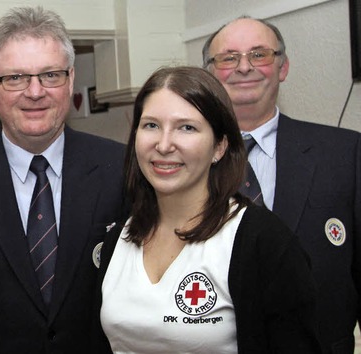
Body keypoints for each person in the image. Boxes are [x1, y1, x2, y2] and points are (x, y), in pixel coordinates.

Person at [0, 6, 126, 353]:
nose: (35, 92)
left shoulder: (120, 167)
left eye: (50, 75)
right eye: (15, 78)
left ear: (70, 80)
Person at [96, 66, 320, 353]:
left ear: (219, 147)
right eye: (151, 125)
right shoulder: (120, 238)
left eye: (186, 128)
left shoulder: (262, 242)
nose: (164, 145)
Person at [203, 17, 361, 353]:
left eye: (259, 54)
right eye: (228, 58)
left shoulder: (344, 153)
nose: (244, 67)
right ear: (210, 74)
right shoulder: (181, 160)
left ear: (283, 67)